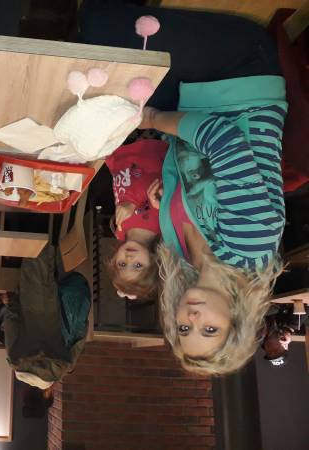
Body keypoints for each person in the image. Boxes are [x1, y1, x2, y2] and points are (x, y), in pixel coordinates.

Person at [80, 0, 286, 375]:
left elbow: (187, 169)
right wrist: (153, 118)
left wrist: (164, 198)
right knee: (100, 31)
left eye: (184, 329)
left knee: (100, 83)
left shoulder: (184, 258)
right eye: (210, 329)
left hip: (194, 100)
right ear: (237, 321)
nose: (192, 318)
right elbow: (223, 140)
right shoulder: (250, 248)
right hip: (239, 78)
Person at [0, 245, 91, 390]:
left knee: (63, 247)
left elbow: (81, 334)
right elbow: (11, 321)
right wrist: (16, 300)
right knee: (38, 247)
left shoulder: (65, 365)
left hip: (67, 292)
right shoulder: (16, 358)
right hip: (34, 294)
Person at [105, 139, 167, 300]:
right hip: (147, 142)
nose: (129, 259)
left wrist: (112, 161)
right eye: (138, 265)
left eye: (122, 264)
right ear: (153, 261)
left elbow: (120, 188)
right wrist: (132, 203)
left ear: (114, 259)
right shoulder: (162, 223)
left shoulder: (120, 233)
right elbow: (156, 181)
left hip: (118, 151)